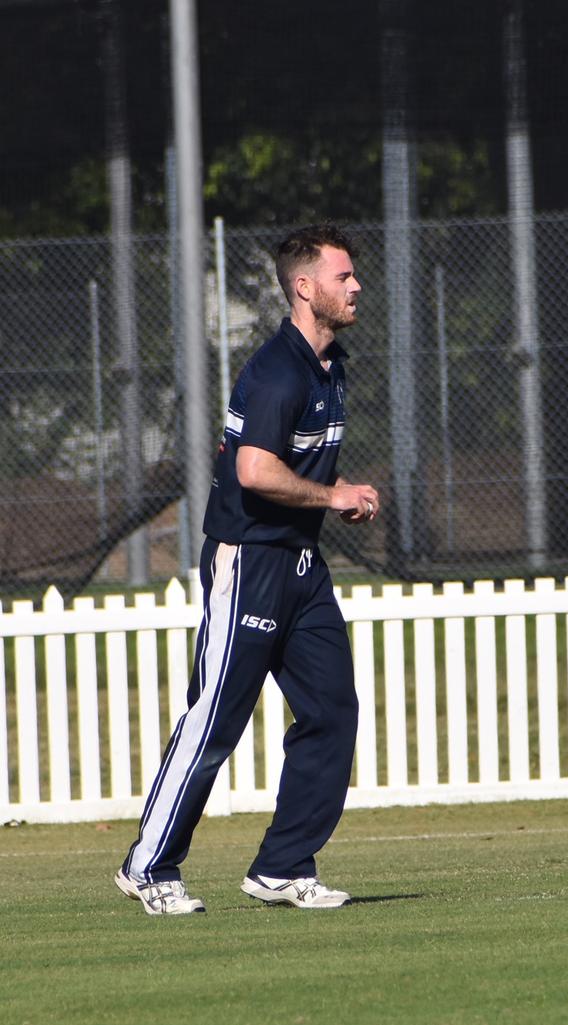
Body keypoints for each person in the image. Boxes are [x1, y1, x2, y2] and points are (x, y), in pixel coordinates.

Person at [115, 223, 379, 915]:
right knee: (216, 719)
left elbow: (298, 459)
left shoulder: (332, 365)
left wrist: (336, 491)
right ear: (304, 286)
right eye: (343, 276)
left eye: (354, 276)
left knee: (332, 710)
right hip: (250, 560)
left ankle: (283, 865)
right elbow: (255, 471)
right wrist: (332, 495)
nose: (356, 286)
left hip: (301, 564)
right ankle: (149, 866)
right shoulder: (276, 370)